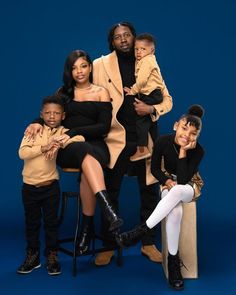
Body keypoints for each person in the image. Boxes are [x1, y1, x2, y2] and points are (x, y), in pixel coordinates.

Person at [24, 50, 123, 256]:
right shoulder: (63, 92)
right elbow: (50, 114)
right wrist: (35, 122)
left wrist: (74, 131)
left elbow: (103, 128)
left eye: (83, 66)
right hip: (66, 147)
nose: (79, 71)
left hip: (95, 145)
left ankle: (87, 230)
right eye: (74, 67)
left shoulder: (101, 92)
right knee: (82, 151)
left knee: (87, 158)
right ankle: (108, 210)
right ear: (69, 71)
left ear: (90, 67)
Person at [92, 21, 173, 266]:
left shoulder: (148, 60)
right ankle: (108, 244)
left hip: (145, 138)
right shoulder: (99, 65)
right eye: (118, 37)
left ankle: (148, 243)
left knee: (149, 192)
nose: (124, 39)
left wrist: (151, 108)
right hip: (115, 137)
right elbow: (77, 91)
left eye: (127, 35)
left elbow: (167, 100)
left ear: (135, 38)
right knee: (110, 191)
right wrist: (40, 120)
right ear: (112, 42)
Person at [116, 105, 205, 290]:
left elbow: (182, 180)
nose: (187, 135)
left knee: (179, 191)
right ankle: (173, 264)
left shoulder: (198, 151)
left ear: (196, 136)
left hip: (189, 186)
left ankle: (140, 230)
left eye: (193, 133)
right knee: (175, 212)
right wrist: (165, 180)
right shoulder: (162, 141)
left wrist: (183, 152)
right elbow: (155, 168)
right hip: (167, 184)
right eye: (184, 128)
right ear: (175, 126)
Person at [17, 95, 84, 275]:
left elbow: (80, 139)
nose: (52, 116)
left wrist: (61, 142)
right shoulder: (34, 130)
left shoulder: (64, 131)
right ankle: (33, 256)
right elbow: (22, 153)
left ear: (63, 116)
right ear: (41, 114)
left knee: (51, 223)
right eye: (47, 113)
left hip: (50, 187)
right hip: (29, 187)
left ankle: (52, 256)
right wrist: (44, 147)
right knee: (32, 223)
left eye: (56, 113)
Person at [123, 33, 164, 161]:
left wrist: (132, 91)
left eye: (143, 49)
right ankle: (156, 150)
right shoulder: (146, 60)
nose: (139, 52)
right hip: (152, 93)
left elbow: (141, 81)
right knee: (151, 123)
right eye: (136, 49)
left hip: (152, 94)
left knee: (140, 119)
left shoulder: (147, 61)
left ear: (152, 50)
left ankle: (142, 149)